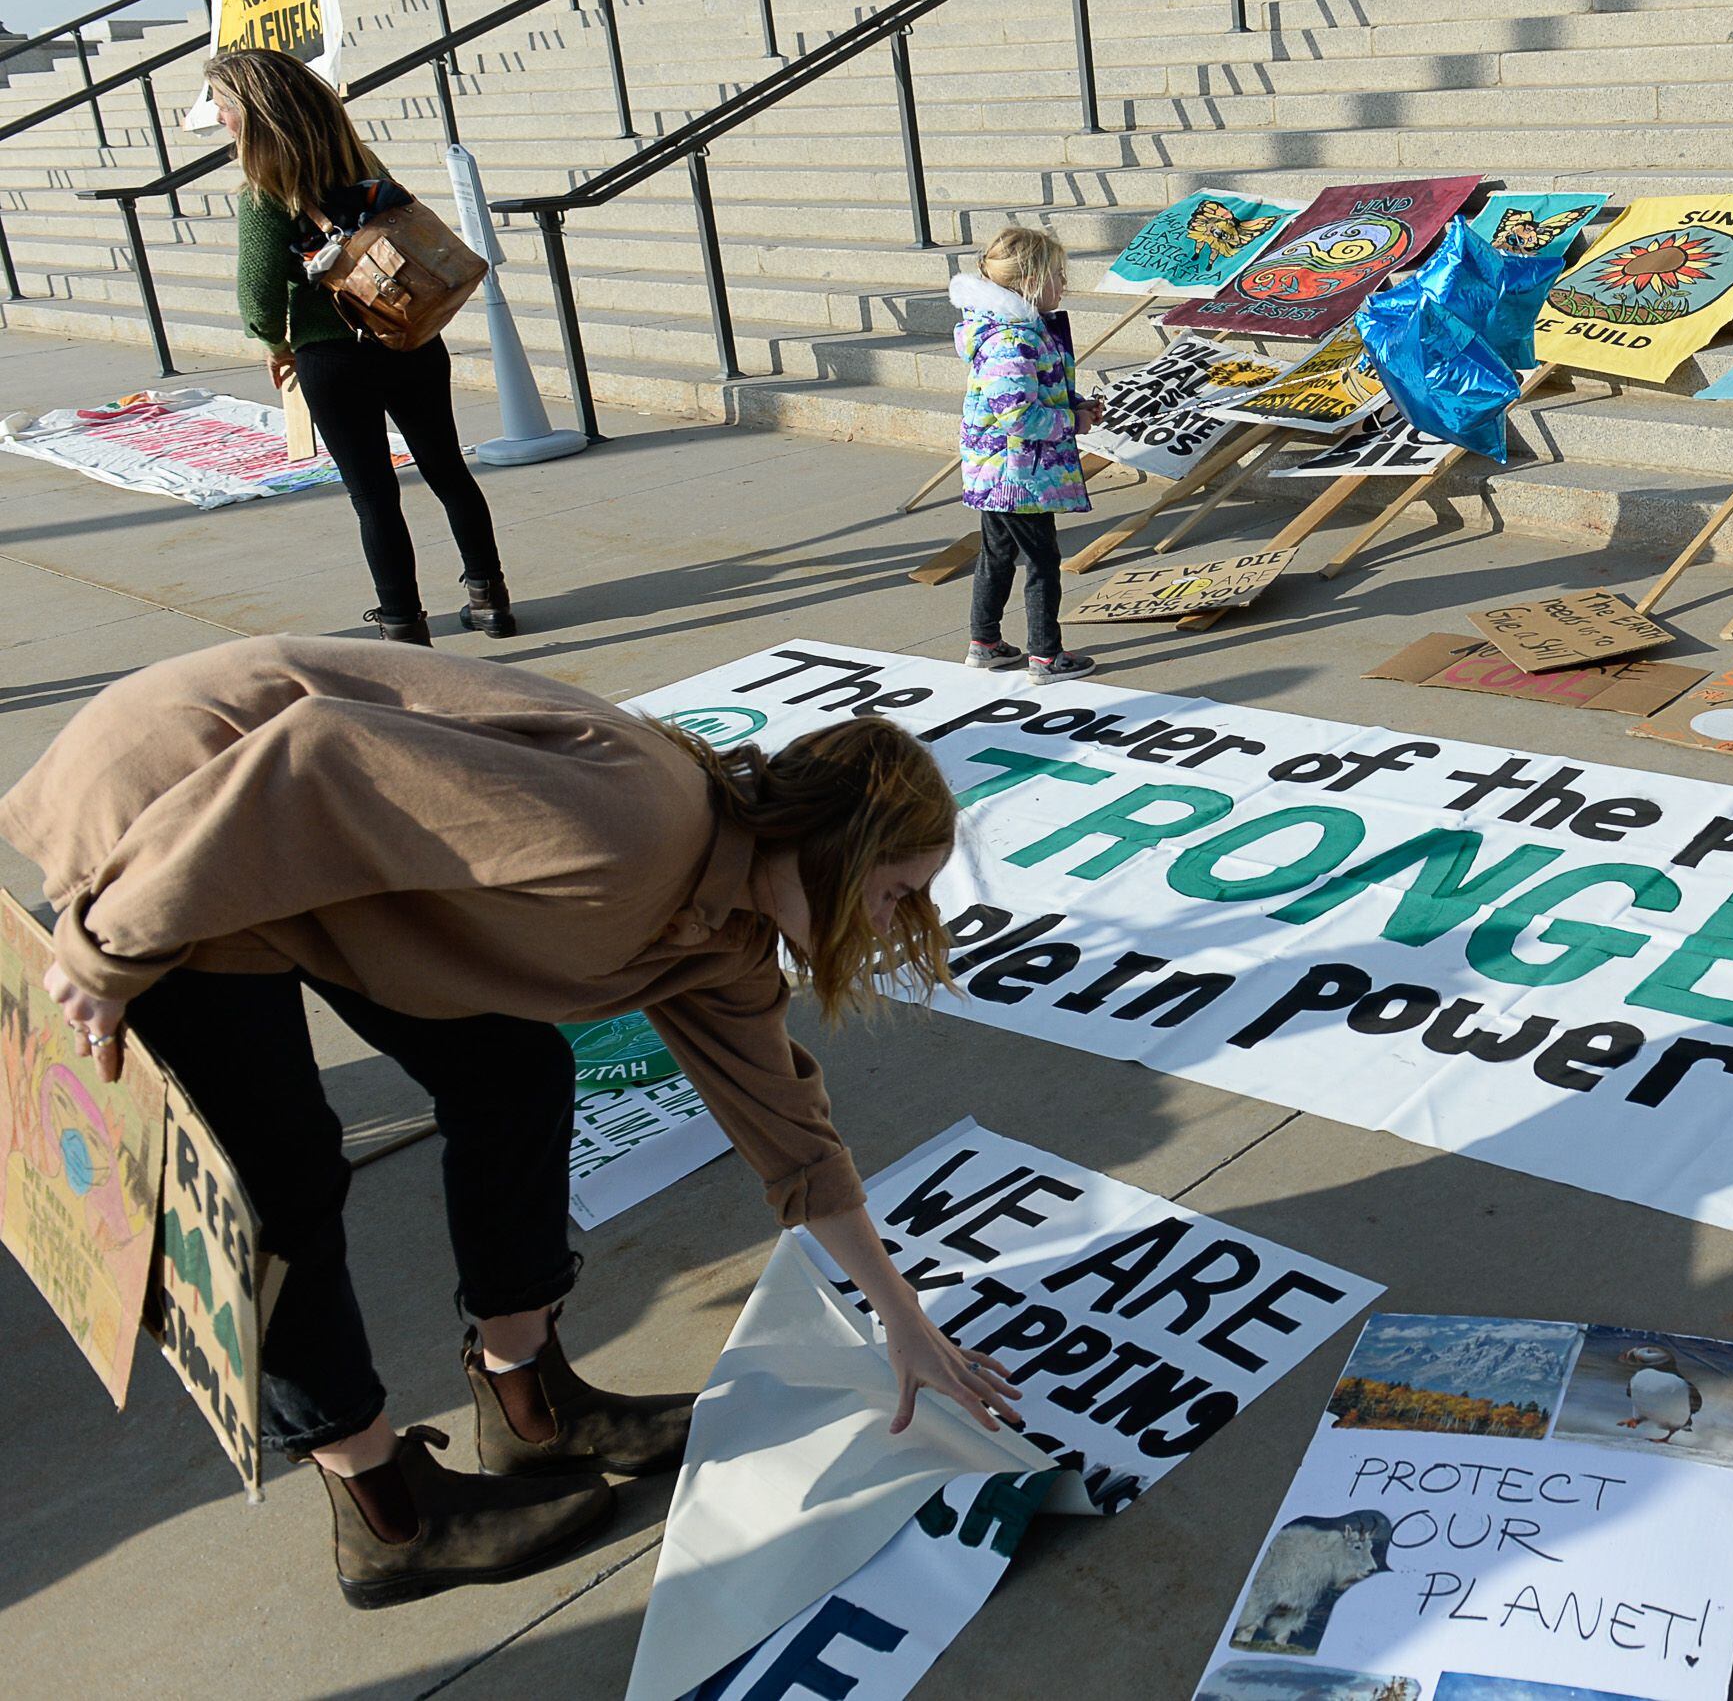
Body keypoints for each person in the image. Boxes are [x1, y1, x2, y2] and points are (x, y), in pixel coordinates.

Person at [0, 637, 1020, 1607]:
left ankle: (529, 1402)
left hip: (326, 861)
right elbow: (314, 755)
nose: (894, 925)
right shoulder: (632, 827)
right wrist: (109, 951)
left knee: (512, 1075)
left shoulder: (726, 940)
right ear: (833, 844)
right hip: (180, 808)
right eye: (895, 894)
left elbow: (791, 1134)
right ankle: (384, 1520)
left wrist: (904, 1319)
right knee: (282, 1174)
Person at [208, 49, 515, 647]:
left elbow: (259, 298)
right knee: (448, 468)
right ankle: (489, 597)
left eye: (221, 104)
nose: (217, 116)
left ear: (251, 111)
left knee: (373, 495)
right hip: (410, 337)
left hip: (332, 355)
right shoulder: (366, 169)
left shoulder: (265, 195)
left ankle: (403, 626)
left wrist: (275, 345)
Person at [952, 226, 1100, 683]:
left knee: (997, 553)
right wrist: (1071, 422)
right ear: (1031, 282)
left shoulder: (1017, 332)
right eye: (1058, 275)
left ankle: (986, 642)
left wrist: (1074, 405)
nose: (1064, 284)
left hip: (1000, 470)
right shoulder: (1012, 340)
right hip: (1019, 473)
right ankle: (1046, 654)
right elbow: (1016, 415)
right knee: (1041, 560)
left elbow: (1030, 395)